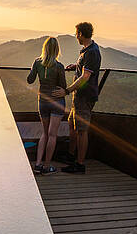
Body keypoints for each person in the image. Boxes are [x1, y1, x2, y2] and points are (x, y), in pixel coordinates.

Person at [53, 22, 101, 174]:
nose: (75, 36)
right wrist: (76, 66)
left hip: (84, 97)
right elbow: (86, 69)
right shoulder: (87, 50)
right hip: (79, 96)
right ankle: (70, 155)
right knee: (72, 125)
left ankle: (80, 164)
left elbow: (85, 77)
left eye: (76, 34)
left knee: (81, 130)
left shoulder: (91, 52)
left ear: (80, 34)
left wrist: (66, 91)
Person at [27, 37, 67, 175]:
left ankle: (38, 164)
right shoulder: (59, 66)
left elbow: (30, 80)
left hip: (42, 102)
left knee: (45, 133)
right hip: (56, 102)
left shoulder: (37, 62)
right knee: (52, 135)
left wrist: (34, 68)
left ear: (44, 49)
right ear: (56, 50)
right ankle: (47, 166)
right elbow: (63, 87)